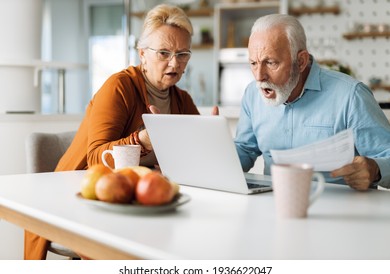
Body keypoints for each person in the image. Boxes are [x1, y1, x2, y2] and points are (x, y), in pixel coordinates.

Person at [24, 3, 206, 260]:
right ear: (142, 53)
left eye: (183, 54)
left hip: (140, 202)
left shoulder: (182, 99)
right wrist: (142, 139)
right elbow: (96, 157)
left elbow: (193, 161)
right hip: (84, 195)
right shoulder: (119, 87)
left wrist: (208, 140)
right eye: (163, 53)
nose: (174, 62)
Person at [234, 14, 390, 192]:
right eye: (253, 63)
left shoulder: (351, 95)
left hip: (341, 212)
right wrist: (216, 152)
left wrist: (375, 169)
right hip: (274, 207)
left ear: (300, 61)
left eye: (270, 62)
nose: (259, 76)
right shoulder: (252, 95)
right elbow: (245, 150)